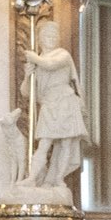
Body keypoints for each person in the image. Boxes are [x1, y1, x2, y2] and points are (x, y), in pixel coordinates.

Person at [20, 19, 90, 188]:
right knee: (44, 143)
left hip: (65, 101)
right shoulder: (37, 61)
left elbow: (50, 65)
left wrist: (34, 58)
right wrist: (27, 76)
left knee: (66, 142)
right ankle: (33, 178)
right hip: (49, 104)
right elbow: (26, 92)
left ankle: (58, 179)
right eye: (47, 35)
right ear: (40, 39)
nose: (51, 38)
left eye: (54, 35)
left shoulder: (62, 54)